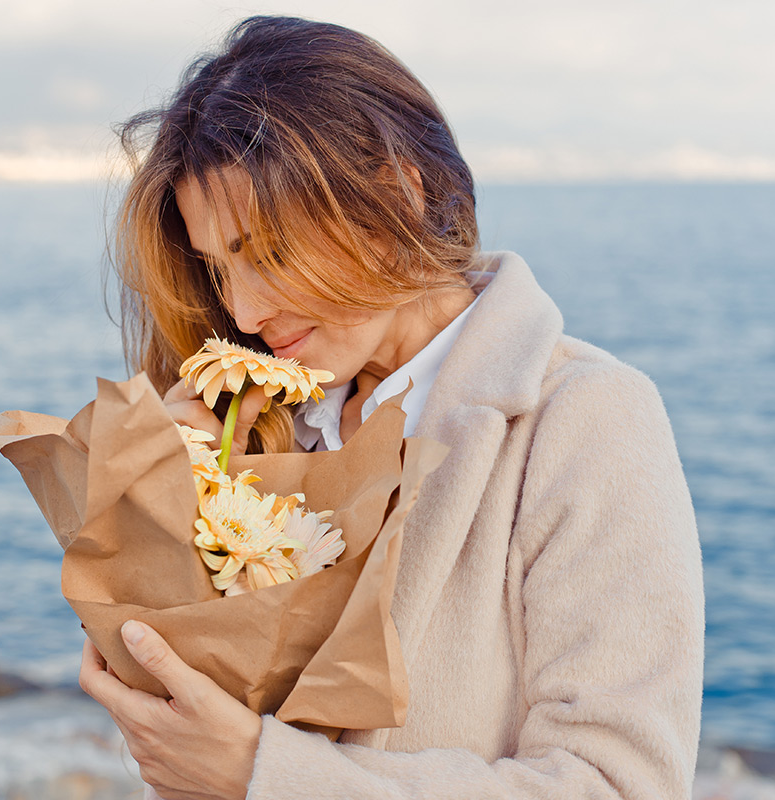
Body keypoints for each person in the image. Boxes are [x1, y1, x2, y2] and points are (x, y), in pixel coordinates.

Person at [79, 15, 705, 800]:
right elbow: (196, 735)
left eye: (266, 253)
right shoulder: (257, 426)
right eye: (217, 269)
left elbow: (621, 786)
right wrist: (161, 516)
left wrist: (267, 777)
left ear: (398, 197)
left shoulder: (586, 419)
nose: (240, 312)